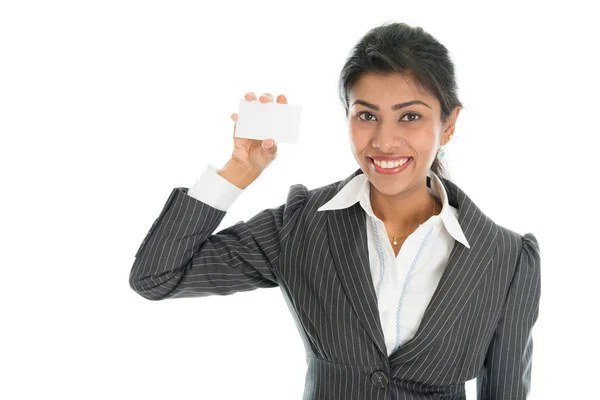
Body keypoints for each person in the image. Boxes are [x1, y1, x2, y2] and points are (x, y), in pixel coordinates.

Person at [129, 21, 541, 400]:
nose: (384, 140)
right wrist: (238, 170)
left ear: (448, 126)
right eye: (366, 115)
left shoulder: (506, 257)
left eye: (410, 116)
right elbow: (157, 277)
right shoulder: (300, 224)